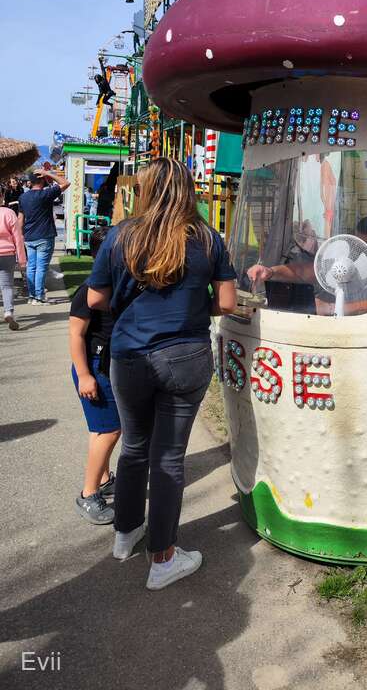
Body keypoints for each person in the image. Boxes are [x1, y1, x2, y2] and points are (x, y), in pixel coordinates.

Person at [87, 157, 237, 590]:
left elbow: (96, 298)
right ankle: (163, 558)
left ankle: (125, 533)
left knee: (133, 448)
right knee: (167, 458)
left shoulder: (121, 236)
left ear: (145, 190)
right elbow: (226, 302)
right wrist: (192, 304)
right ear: (189, 191)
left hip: (129, 356)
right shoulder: (207, 239)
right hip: (185, 356)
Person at [247, 215, 367, 316]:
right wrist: (271, 272)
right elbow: (304, 271)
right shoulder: (347, 261)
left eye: (362, 248)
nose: (355, 250)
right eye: (356, 243)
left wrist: (329, 308)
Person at [69, 226, 121, 525]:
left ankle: (103, 479)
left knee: (101, 428)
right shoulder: (88, 291)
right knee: (111, 429)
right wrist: (85, 375)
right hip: (94, 368)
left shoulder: (116, 284)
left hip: (107, 366)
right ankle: (88, 494)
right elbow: (76, 335)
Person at [17, 168, 70, 304]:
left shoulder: (23, 197)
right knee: (41, 267)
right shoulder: (46, 194)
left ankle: (32, 296)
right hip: (44, 236)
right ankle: (39, 296)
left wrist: (20, 236)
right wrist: (48, 173)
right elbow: (66, 182)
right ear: (42, 180)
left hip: (29, 236)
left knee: (31, 267)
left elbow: (20, 220)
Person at [0, 190, 26, 330]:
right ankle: (8, 311)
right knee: (7, 285)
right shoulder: (9, 213)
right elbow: (18, 237)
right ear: (2, 197)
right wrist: (22, 259)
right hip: (7, 254)